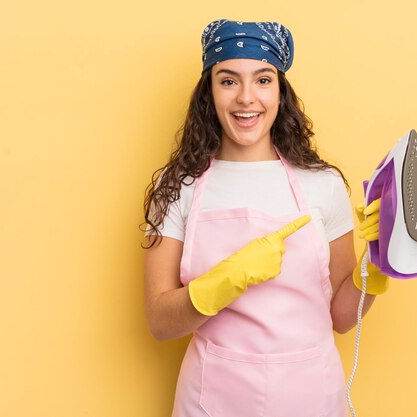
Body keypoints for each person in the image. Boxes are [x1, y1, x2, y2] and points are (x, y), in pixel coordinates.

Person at [142, 19, 388, 417]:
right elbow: (159, 322)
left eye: (262, 80)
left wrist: (376, 264)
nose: (245, 98)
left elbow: (342, 319)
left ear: (280, 92)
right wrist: (223, 281)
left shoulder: (322, 185)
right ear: (209, 92)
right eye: (228, 81)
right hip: (213, 397)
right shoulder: (178, 189)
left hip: (311, 393)